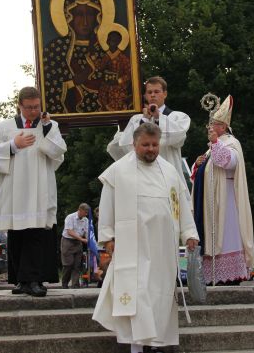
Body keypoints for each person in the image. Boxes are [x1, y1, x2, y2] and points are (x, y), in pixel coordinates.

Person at [93, 122, 199, 353]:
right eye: (145, 145)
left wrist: (189, 233)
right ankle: (137, 347)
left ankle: (158, 342)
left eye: (154, 144)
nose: (150, 149)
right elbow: (107, 204)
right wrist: (108, 236)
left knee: (159, 293)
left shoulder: (170, 171)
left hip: (163, 244)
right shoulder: (118, 171)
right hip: (134, 243)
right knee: (138, 291)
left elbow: (181, 204)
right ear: (134, 144)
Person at [0, 86, 67, 297]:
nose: (33, 111)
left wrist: (47, 131)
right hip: (15, 189)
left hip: (40, 188)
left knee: (37, 234)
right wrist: (13, 145)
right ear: (19, 106)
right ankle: (20, 280)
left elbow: (59, 154)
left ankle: (35, 280)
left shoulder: (49, 125)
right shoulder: (5, 127)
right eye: (29, 107)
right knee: (17, 234)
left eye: (37, 106)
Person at [192, 95, 254, 285]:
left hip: (226, 199)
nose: (210, 128)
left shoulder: (230, 143)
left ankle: (230, 275)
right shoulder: (211, 147)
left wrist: (216, 144)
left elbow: (229, 162)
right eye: (210, 125)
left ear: (224, 127)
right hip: (209, 201)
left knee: (226, 234)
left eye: (214, 125)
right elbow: (202, 172)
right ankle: (213, 274)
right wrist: (198, 164)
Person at [107, 76, 190, 183]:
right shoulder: (136, 120)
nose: (153, 95)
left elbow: (177, 138)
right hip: (142, 177)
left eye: (157, 91)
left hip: (168, 176)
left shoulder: (178, 117)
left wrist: (158, 117)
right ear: (145, 95)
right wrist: (144, 120)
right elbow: (125, 146)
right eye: (149, 92)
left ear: (165, 94)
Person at [44, 0, 106, 113]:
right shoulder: (56, 48)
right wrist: (72, 83)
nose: (85, 21)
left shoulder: (103, 49)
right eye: (79, 14)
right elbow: (51, 85)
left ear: (97, 17)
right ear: (69, 17)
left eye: (89, 14)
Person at [98, 30, 132, 111]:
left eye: (114, 40)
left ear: (118, 42)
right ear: (107, 41)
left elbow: (129, 74)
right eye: (109, 40)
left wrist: (117, 81)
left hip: (118, 89)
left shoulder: (123, 58)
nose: (110, 42)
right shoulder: (105, 56)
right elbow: (99, 68)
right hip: (105, 88)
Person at [61, 203, 89, 289]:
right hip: (67, 242)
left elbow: (87, 232)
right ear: (80, 210)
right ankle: (64, 284)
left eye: (87, 213)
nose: (86, 214)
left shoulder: (86, 220)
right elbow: (70, 232)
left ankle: (75, 285)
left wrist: (89, 241)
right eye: (85, 212)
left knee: (77, 265)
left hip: (78, 243)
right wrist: (82, 239)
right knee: (68, 264)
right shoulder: (70, 217)